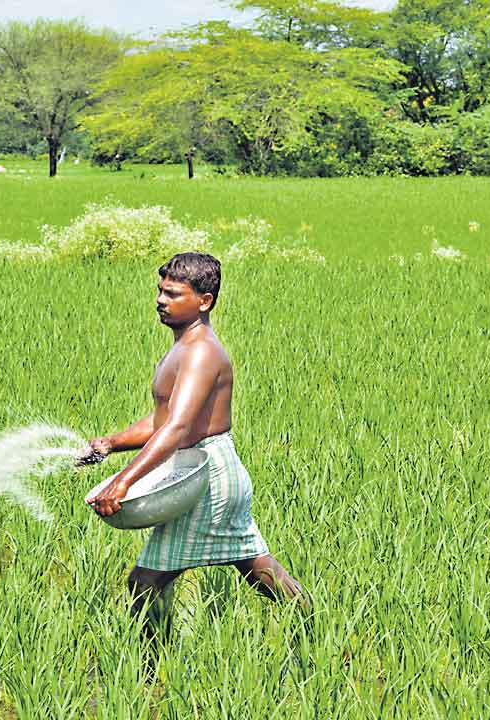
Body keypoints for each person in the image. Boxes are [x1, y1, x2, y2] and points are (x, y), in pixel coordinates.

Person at [84, 252, 307, 654]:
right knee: (254, 567)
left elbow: (178, 427)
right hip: (201, 468)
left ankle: (151, 669)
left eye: (172, 294)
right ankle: (318, 632)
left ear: (204, 301)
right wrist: (111, 443)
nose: (160, 300)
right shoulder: (184, 346)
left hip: (207, 475)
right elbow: (163, 419)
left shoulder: (201, 352)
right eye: (160, 291)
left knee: (146, 582)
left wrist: (123, 482)